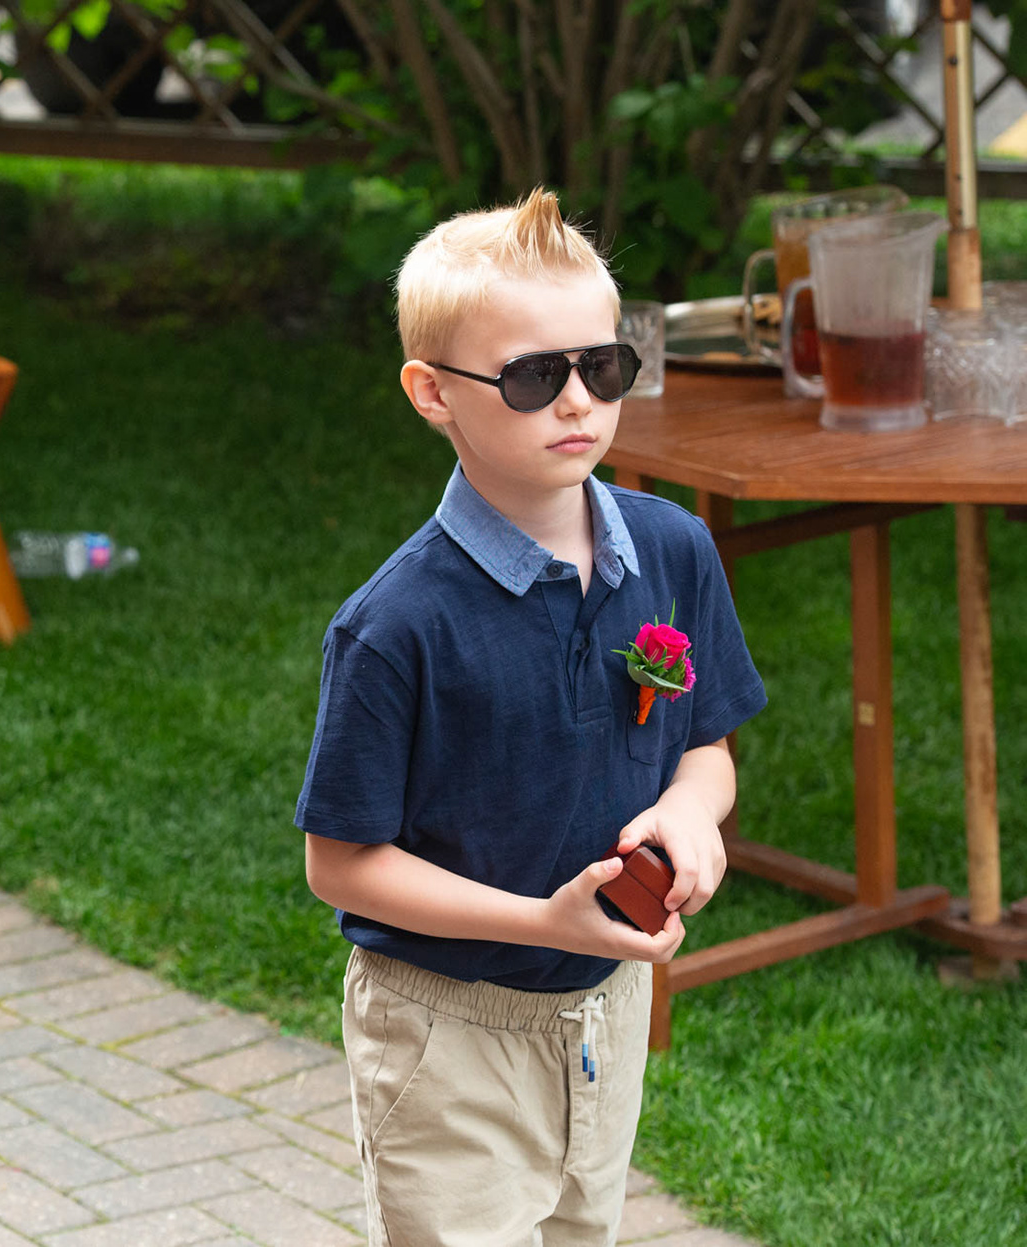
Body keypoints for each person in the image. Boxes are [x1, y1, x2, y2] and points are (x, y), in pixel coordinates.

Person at [295, 188, 766, 1247]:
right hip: (446, 1028)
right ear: (432, 393)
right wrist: (541, 921)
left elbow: (705, 746)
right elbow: (342, 863)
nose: (576, 404)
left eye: (601, 367)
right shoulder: (397, 623)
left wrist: (694, 815)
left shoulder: (673, 550)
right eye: (531, 376)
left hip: (607, 1009)